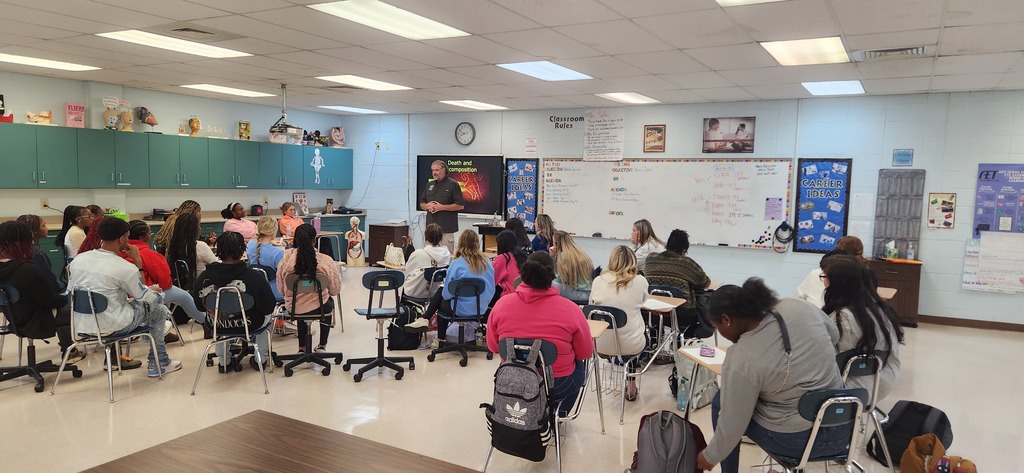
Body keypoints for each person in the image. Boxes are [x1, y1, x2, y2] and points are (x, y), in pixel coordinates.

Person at [696, 278, 844, 473]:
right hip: (843, 428)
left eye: (718, 327)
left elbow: (734, 420)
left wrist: (710, 456)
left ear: (726, 320)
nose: (721, 332)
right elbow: (834, 336)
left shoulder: (742, 357)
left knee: (722, 402)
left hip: (797, 441)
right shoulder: (798, 305)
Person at [67, 218, 181, 378]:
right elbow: (145, 299)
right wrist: (139, 264)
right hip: (112, 325)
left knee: (138, 303)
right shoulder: (124, 267)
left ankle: (154, 352)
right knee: (160, 310)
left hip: (82, 325)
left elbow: (70, 292)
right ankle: (159, 362)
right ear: (122, 239)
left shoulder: (78, 260)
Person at [487, 252, 594, 416]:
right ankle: (559, 415)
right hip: (558, 383)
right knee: (582, 365)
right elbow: (585, 352)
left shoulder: (501, 305)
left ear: (523, 274)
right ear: (553, 276)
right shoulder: (571, 309)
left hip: (513, 380)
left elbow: (494, 347)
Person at [821, 255, 904, 400]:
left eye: (824, 277)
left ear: (837, 283)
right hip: (883, 381)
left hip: (853, 389)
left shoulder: (842, 319)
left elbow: (832, 362)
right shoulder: (882, 310)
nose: (823, 282)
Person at [194, 231, 276, 371]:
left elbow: (199, 307)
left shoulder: (204, 277)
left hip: (217, 324)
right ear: (242, 251)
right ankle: (260, 360)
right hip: (251, 323)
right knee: (268, 319)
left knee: (217, 320)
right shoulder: (254, 277)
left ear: (218, 250)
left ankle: (223, 361)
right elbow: (268, 307)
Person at [403, 230, 495, 347]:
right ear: (477, 243)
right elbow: (492, 289)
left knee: (442, 299)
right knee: (444, 294)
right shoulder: (487, 263)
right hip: (480, 309)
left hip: (458, 309)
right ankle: (426, 320)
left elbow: (447, 294)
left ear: (460, 243)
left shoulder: (457, 263)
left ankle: (438, 337)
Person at [0, 221, 71, 360]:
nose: (32, 244)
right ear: (18, 243)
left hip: (14, 319)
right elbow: (50, 301)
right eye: (29, 240)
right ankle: (69, 350)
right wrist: (68, 297)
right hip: (37, 320)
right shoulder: (27, 270)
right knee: (74, 306)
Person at [588, 245, 649, 400]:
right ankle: (631, 385)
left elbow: (591, 308)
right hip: (632, 345)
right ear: (633, 261)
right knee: (638, 330)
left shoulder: (598, 281)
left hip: (599, 344)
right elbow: (644, 303)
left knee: (627, 329)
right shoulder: (640, 281)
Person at [124, 220, 207, 327]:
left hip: (126, 296)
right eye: (149, 233)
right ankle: (206, 322)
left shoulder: (121, 251)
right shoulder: (147, 253)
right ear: (142, 237)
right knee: (184, 296)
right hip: (142, 295)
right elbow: (165, 282)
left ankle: (162, 329)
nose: (151, 235)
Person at [277, 224, 342, 353]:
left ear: (295, 239)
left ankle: (302, 347)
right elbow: (335, 290)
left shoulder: (285, 260)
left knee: (300, 304)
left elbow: (281, 290)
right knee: (329, 302)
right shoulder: (325, 261)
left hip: (295, 308)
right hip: (321, 307)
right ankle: (322, 345)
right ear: (315, 240)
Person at [644, 229, 710, 311]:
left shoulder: (651, 259)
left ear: (667, 245)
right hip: (682, 314)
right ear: (683, 251)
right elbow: (704, 282)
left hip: (653, 312)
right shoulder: (686, 263)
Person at [419, 159, 465, 252]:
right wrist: (427, 206)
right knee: (429, 258)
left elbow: (460, 206)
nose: (434, 173)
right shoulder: (429, 185)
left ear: (444, 170)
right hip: (430, 230)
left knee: (446, 259)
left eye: (437, 170)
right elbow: (422, 204)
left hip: (446, 230)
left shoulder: (453, 184)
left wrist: (441, 207)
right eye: (432, 170)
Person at [403, 223, 452, 299]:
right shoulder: (447, 254)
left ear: (425, 237)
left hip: (416, 292)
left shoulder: (418, 254)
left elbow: (408, 270)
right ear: (441, 238)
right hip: (436, 293)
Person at [246, 216, 285, 302]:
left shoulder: (250, 245)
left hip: (256, 290)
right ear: (273, 231)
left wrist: (270, 244)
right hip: (275, 293)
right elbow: (284, 274)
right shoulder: (277, 253)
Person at [550, 231, 594, 302]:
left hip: (580, 294)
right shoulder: (579, 253)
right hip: (589, 292)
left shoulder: (564, 256)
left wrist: (552, 257)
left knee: (548, 284)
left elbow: (561, 279)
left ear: (556, 244)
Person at [493, 229, 528, 298]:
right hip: (524, 293)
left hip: (510, 295)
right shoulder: (522, 256)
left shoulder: (504, 258)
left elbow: (492, 280)